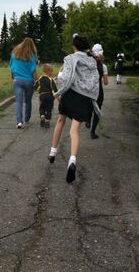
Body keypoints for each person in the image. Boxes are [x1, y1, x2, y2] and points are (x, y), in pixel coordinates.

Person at [48, 34, 100, 183]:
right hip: (84, 98)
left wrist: (58, 88)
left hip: (70, 95)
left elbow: (65, 78)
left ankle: (52, 152)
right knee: (74, 131)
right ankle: (72, 161)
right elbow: (95, 81)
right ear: (87, 48)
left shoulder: (70, 58)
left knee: (60, 120)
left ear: (74, 46)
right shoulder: (92, 61)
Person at [9, 38, 38, 129]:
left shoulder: (14, 53)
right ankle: (27, 119)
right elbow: (33, 71)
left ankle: (19, 122)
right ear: (32, 46)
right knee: (28, 101)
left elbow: (11, 65)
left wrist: (13, 76)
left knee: (18, 101)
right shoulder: (32, 56)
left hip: (17, 81)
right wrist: (36, 81)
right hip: (29, 81)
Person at [86, 43, 109, 139]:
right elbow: (106, 82)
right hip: (98, 90)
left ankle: (87, 119)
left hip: (88, 89)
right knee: (97, 110)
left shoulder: (87, 64)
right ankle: (93, 132)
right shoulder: (103, 66)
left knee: (88, 105)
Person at [34, 63, 58, 128]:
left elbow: (35, 87)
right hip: (50, 96)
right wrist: (57, 96)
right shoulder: (51, 79)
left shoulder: (40, 78)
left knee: (42, 107)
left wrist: (37, 88)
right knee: (49, 109)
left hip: (42, 96)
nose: (52, 73)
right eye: (51, 71)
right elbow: (55, 89)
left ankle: (42, 116)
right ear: (49, 71)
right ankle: (47, 121)